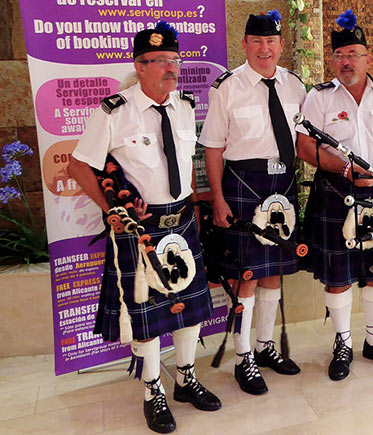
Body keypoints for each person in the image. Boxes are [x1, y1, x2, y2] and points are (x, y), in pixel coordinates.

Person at [68, 22, 220, 433]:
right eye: (161, 62)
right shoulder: (115, 110)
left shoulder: (186, 106)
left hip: (182, 219)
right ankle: (153, 389)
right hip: (140, 226)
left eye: (175, 60)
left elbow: (184, 162)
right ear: (140, 65)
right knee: (146, 316)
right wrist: (110, 209)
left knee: (191, 308)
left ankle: (186, 378)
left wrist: (191, 199)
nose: (172, 69)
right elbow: (79, 164)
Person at [295, 9, 373, 381]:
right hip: (337, 192)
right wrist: (345, 169)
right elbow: (304, 146)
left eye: (354, 54)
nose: (347, 62)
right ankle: (343, 342)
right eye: (340, 56)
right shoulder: (320, 97)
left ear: (367, 59)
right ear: (333, 60)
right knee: (339, 275)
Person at [199, 10, 305, 396]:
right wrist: (217, 198)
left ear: (280, 45)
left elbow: (302, 140)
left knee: (273, 271)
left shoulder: (295, 85)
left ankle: (264, 347)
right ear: (244, 44)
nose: (265, 48)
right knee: (245, 275)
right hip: (243, 184)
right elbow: (213, 148)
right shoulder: (227, 87)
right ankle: (243, 355)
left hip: (284, 184)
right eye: (257, 41)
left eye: (271, 42)